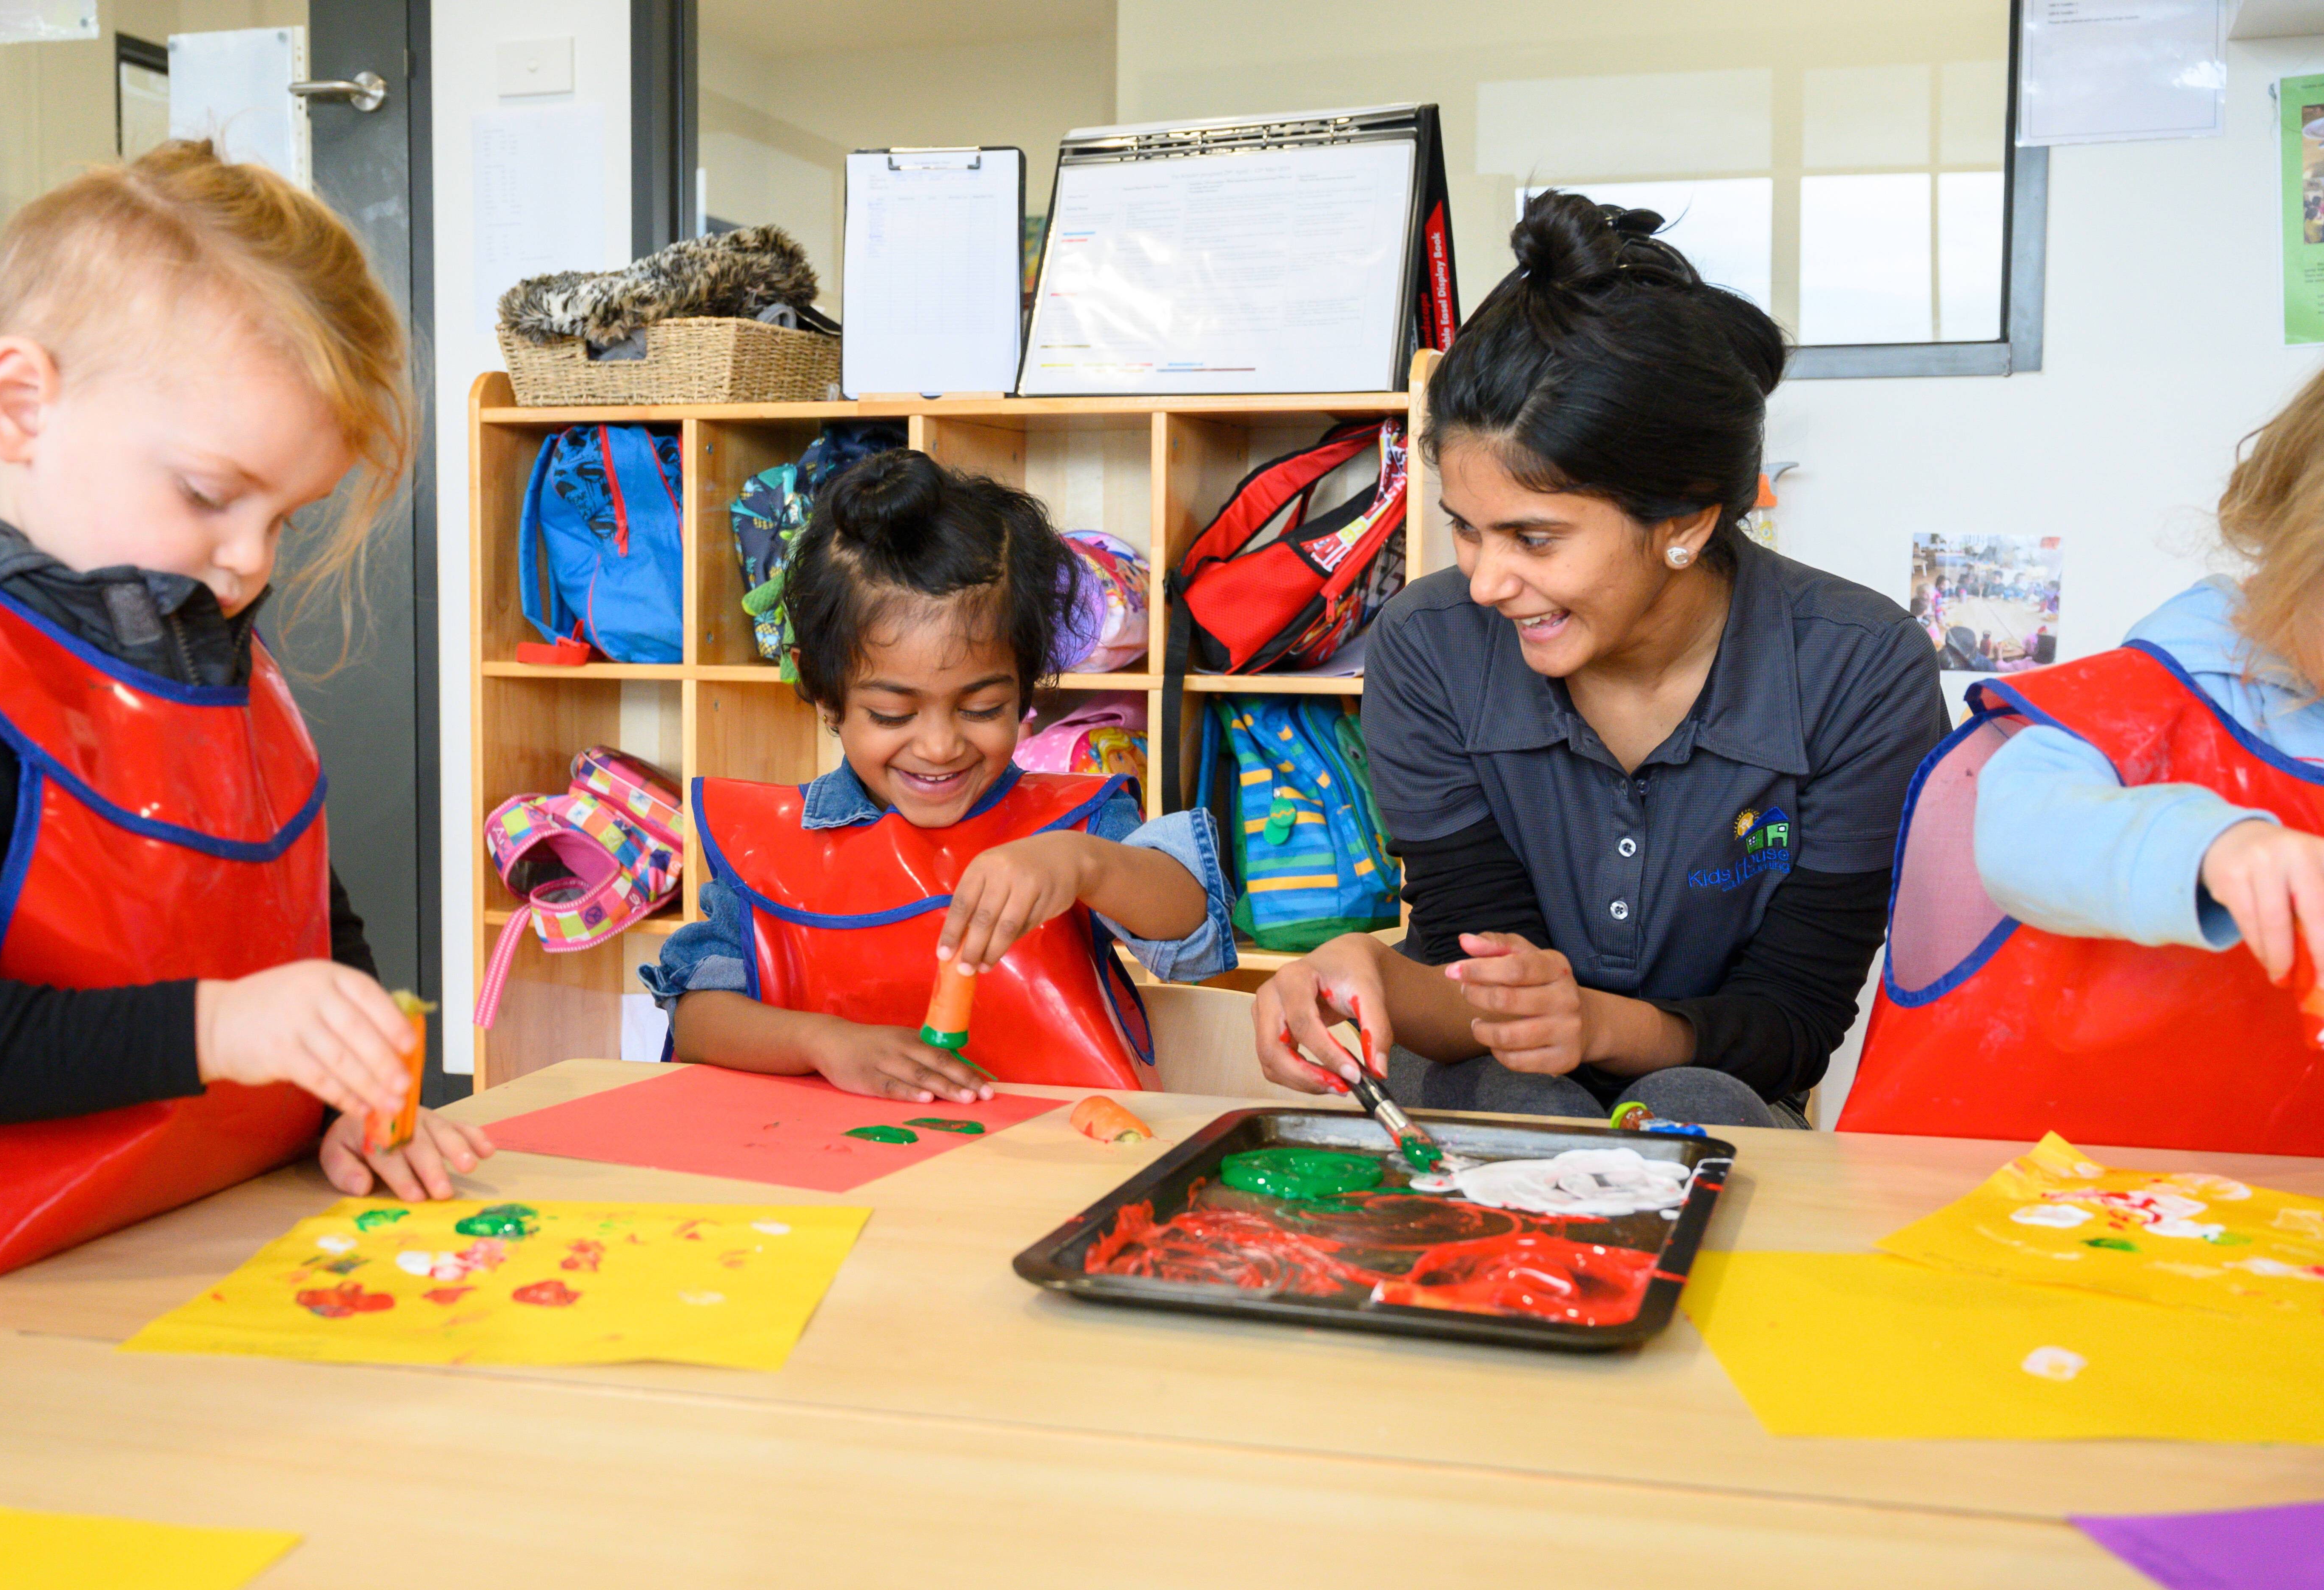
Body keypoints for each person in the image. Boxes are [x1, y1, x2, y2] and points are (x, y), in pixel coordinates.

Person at [1251, 191, 1946, 1128]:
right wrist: (1365, 972)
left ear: (1687, 523)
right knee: (1516, 1099)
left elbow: (1794, 1019)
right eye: (1466, 530)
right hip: (1487, 1072)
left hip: (1720, 1086)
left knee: (1694, 1107)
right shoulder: (1430, 644)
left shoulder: (1859, 669)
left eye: (1533, 539)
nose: (1487, 581)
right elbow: (1476, 963)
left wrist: (1597, 1024)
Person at [0, 143, 491, 1297]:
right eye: (207, 496)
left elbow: (312, 928)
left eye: (284, 518)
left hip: (209, 1246)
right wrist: (216, 1028)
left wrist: (360, 1092)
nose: (248, 561)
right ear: (21, 405)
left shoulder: (220, 664)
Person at [644, 449, 1232, 1102]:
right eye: (892, 713)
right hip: (830, 1176)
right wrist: (824, 1042)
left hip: (1048, 1174)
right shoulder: (768, 843)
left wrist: (1082, 863)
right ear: (826, 695)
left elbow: (1194, 929)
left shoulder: (1072, 825)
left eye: (983, 708)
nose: (940, 745)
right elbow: (696, 1016)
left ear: (1025, 684)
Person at [1844, 367, 2324, 1154]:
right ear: (2297, 562)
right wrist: (2214, 846)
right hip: (2026, 1184)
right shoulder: (2142, 700)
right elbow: (2023, 834)